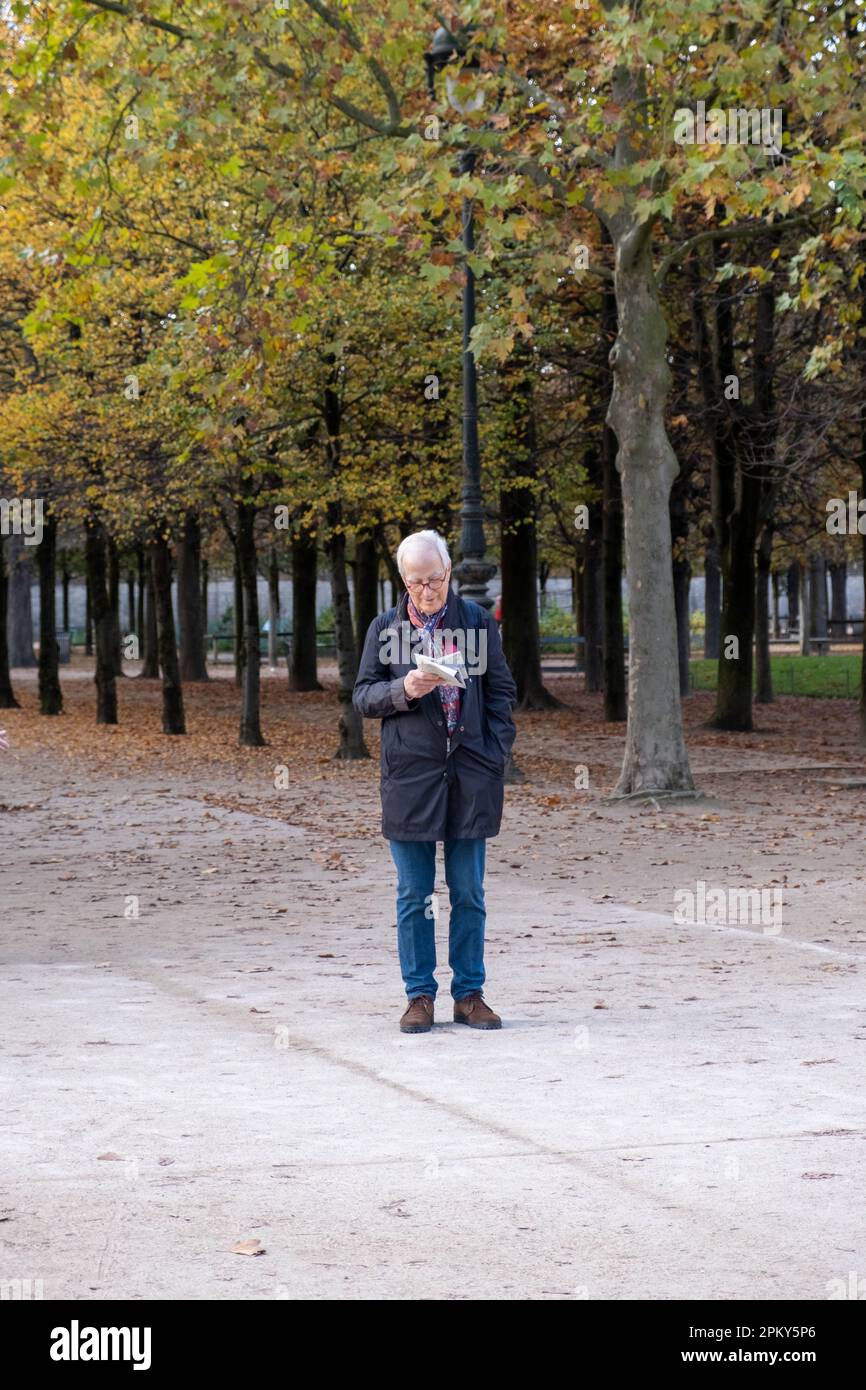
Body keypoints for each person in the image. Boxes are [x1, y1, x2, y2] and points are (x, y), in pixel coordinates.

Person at [353, 529, 517, 1034]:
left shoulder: (475, 622)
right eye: (418, 582)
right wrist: (403, 687)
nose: (428, 591)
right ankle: (418, 996)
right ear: (404, 580)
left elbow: (502, 692)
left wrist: (495, 753)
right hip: (411, 778)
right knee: (414, 894)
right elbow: (362, 696)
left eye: (437, 579)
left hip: (470, 773)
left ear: (449, 573)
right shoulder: (387, 628)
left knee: (468, 891)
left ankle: (469, 994)